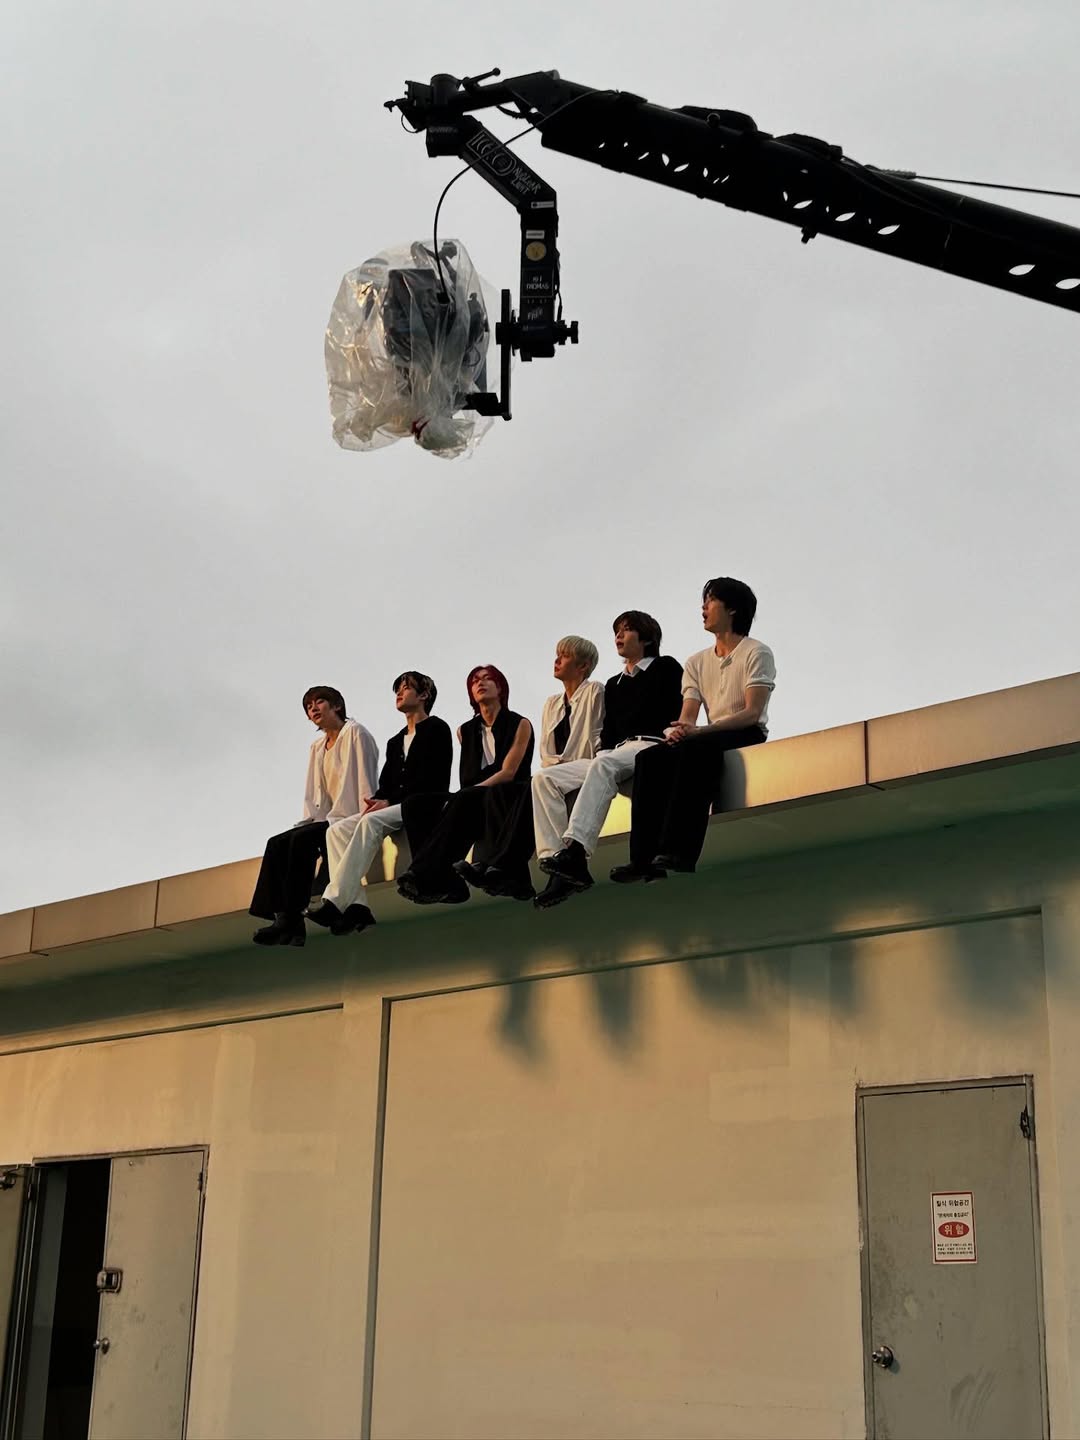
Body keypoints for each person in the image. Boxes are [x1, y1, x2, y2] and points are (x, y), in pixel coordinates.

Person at [611, 576, 775, 883]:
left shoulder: (756, 652)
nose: (703, 608)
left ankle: (679, 852)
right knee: (650, 758)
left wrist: (698, 732)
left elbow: (752, 713)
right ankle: (643, 861)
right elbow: (688, 716)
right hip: (708, 735)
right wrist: (679, 731)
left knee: (696, 749)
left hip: (745, 732)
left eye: (710, 601)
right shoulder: (696, 662)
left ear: (732, 609)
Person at [532, 612, 683, 909]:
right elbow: (609, 731)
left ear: (646, 638)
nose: (619, 635)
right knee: (543, 779)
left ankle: (577, 851)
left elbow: (674, 707)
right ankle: (556, 863)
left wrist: (670, 731)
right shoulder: (615, 684)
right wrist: (605, 752)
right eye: (617, 631)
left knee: (603, 765)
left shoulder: (665, 666)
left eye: (627, 630)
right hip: (616, 752)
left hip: (652, 744)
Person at [455, 636, 606, 901]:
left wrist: (558, 770)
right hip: (557, 772)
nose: (557, 660)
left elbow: (592, 738)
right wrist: (555, 769)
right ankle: (503, 867)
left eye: (565, 656)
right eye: (557, 655)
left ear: (583, 666)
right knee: (523, 787)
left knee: (536, 782)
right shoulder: (551, 704)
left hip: (589, 764)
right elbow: (546, 752)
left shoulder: (594, 691)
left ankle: (538, 861)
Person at [306, 671, 452, 936]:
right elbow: (386, 783)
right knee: (336, 830)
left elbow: (433, 779)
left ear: (424, 695)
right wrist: (378, 800)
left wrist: (389, 801)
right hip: (395, 808)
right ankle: (358, 907)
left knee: (371, 821)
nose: (399, 693)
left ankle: (334, 900)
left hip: (425, 805)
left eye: (406, 688)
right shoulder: (395, 742)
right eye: (398, 689)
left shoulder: (437, 728)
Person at [250, 687, 379, 946]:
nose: (314, 709)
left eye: (319, 702)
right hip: (325, 819)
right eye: (309, 707)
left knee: (302, 841)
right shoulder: (317, 747)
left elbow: (366, 777)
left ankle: (292, 919)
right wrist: (306, 822)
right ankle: (282, 918)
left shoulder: (356, 732)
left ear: (337, 706)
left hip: (349, 817)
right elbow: (313, 794)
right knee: (277, 843)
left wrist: (365, 814)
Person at [397, 665, 534, 905]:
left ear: (500, 688)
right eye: (474, 681)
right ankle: (446, 880)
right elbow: (468, 777)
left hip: (511, 792)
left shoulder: (520, 723)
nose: (480, 683)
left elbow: (509, 772)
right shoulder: (464, 731)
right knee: (414, 805)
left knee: (472, 797)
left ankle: (424, 874)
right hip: (474, 796)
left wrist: (471, 791)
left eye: (487, 679)